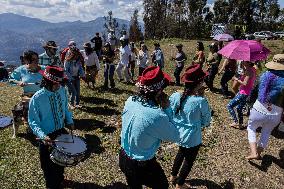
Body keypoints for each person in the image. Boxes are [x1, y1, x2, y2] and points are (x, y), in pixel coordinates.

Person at [119, 66, 180, 189]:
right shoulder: (157, 116)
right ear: (158, 92)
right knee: (162, 185)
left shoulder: (130, 100)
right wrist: (167, 108)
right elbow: (175, 136)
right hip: (143, 165)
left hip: (123, 157)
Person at [28, 65, 74, 189]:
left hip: (61, 132)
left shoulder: (62, 90)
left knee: (61, 161)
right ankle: (51, 185)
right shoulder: (37, 98)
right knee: (48, 166)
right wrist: (43, 136)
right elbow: (33, 121)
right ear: (47, 82)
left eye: (59, 83)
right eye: (55, 84)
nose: (58, 86)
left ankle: (60, 180)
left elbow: (65, 107)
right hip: (47, 137)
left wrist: (69, 120)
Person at [169, 64, 211, 189]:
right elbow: (206, 121)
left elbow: (170, 112)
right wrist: (200, 124)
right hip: (192, 137)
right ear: (199, 83)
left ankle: (173, 175)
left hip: (178, 133)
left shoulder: (176, 96)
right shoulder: (200, 101)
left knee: (181, 152)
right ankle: (180, 184)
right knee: (188, 160)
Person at [246, 54, 284, 160]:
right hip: (276, 113)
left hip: (259, 108)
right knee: (266, 132)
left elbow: (253, 90)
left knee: (251, 128)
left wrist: (249, 103)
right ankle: (258, 153)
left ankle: (254, 152)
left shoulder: (264, 75)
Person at [10, 51, 44, 126]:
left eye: (37, 59)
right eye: (33, 59)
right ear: (27, 60)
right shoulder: (21, 69)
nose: (36, 61)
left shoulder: (43, 69)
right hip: (27, 97)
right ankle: (29, 123)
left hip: (42, 96)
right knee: (26, 109)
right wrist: (18, 82)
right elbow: (11, 79)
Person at [227, 61, 256, 129]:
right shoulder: (251, 69)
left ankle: (235, 122)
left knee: (229, 106)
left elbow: (245, 83)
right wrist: (243, 67)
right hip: (247, 93)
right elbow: (245, 74)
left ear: (249, 63)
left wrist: (236, 79)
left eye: (245, 61)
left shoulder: (249, 72)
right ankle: (240, 124)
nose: (243, 62)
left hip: (243, 93)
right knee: (239, 108)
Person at [64, 44, 86, 109]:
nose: (77, 55)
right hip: (69, 79)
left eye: (77, 54)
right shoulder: (67, 61)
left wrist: (83, 75)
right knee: (73, 92)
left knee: (78, 92)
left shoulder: (78, 61)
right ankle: (71, 104)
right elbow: (66, 71)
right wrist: (70, 78)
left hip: (76, 77)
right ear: (72, 54)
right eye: (75, 54)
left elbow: (80, 68)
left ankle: (77, 103)